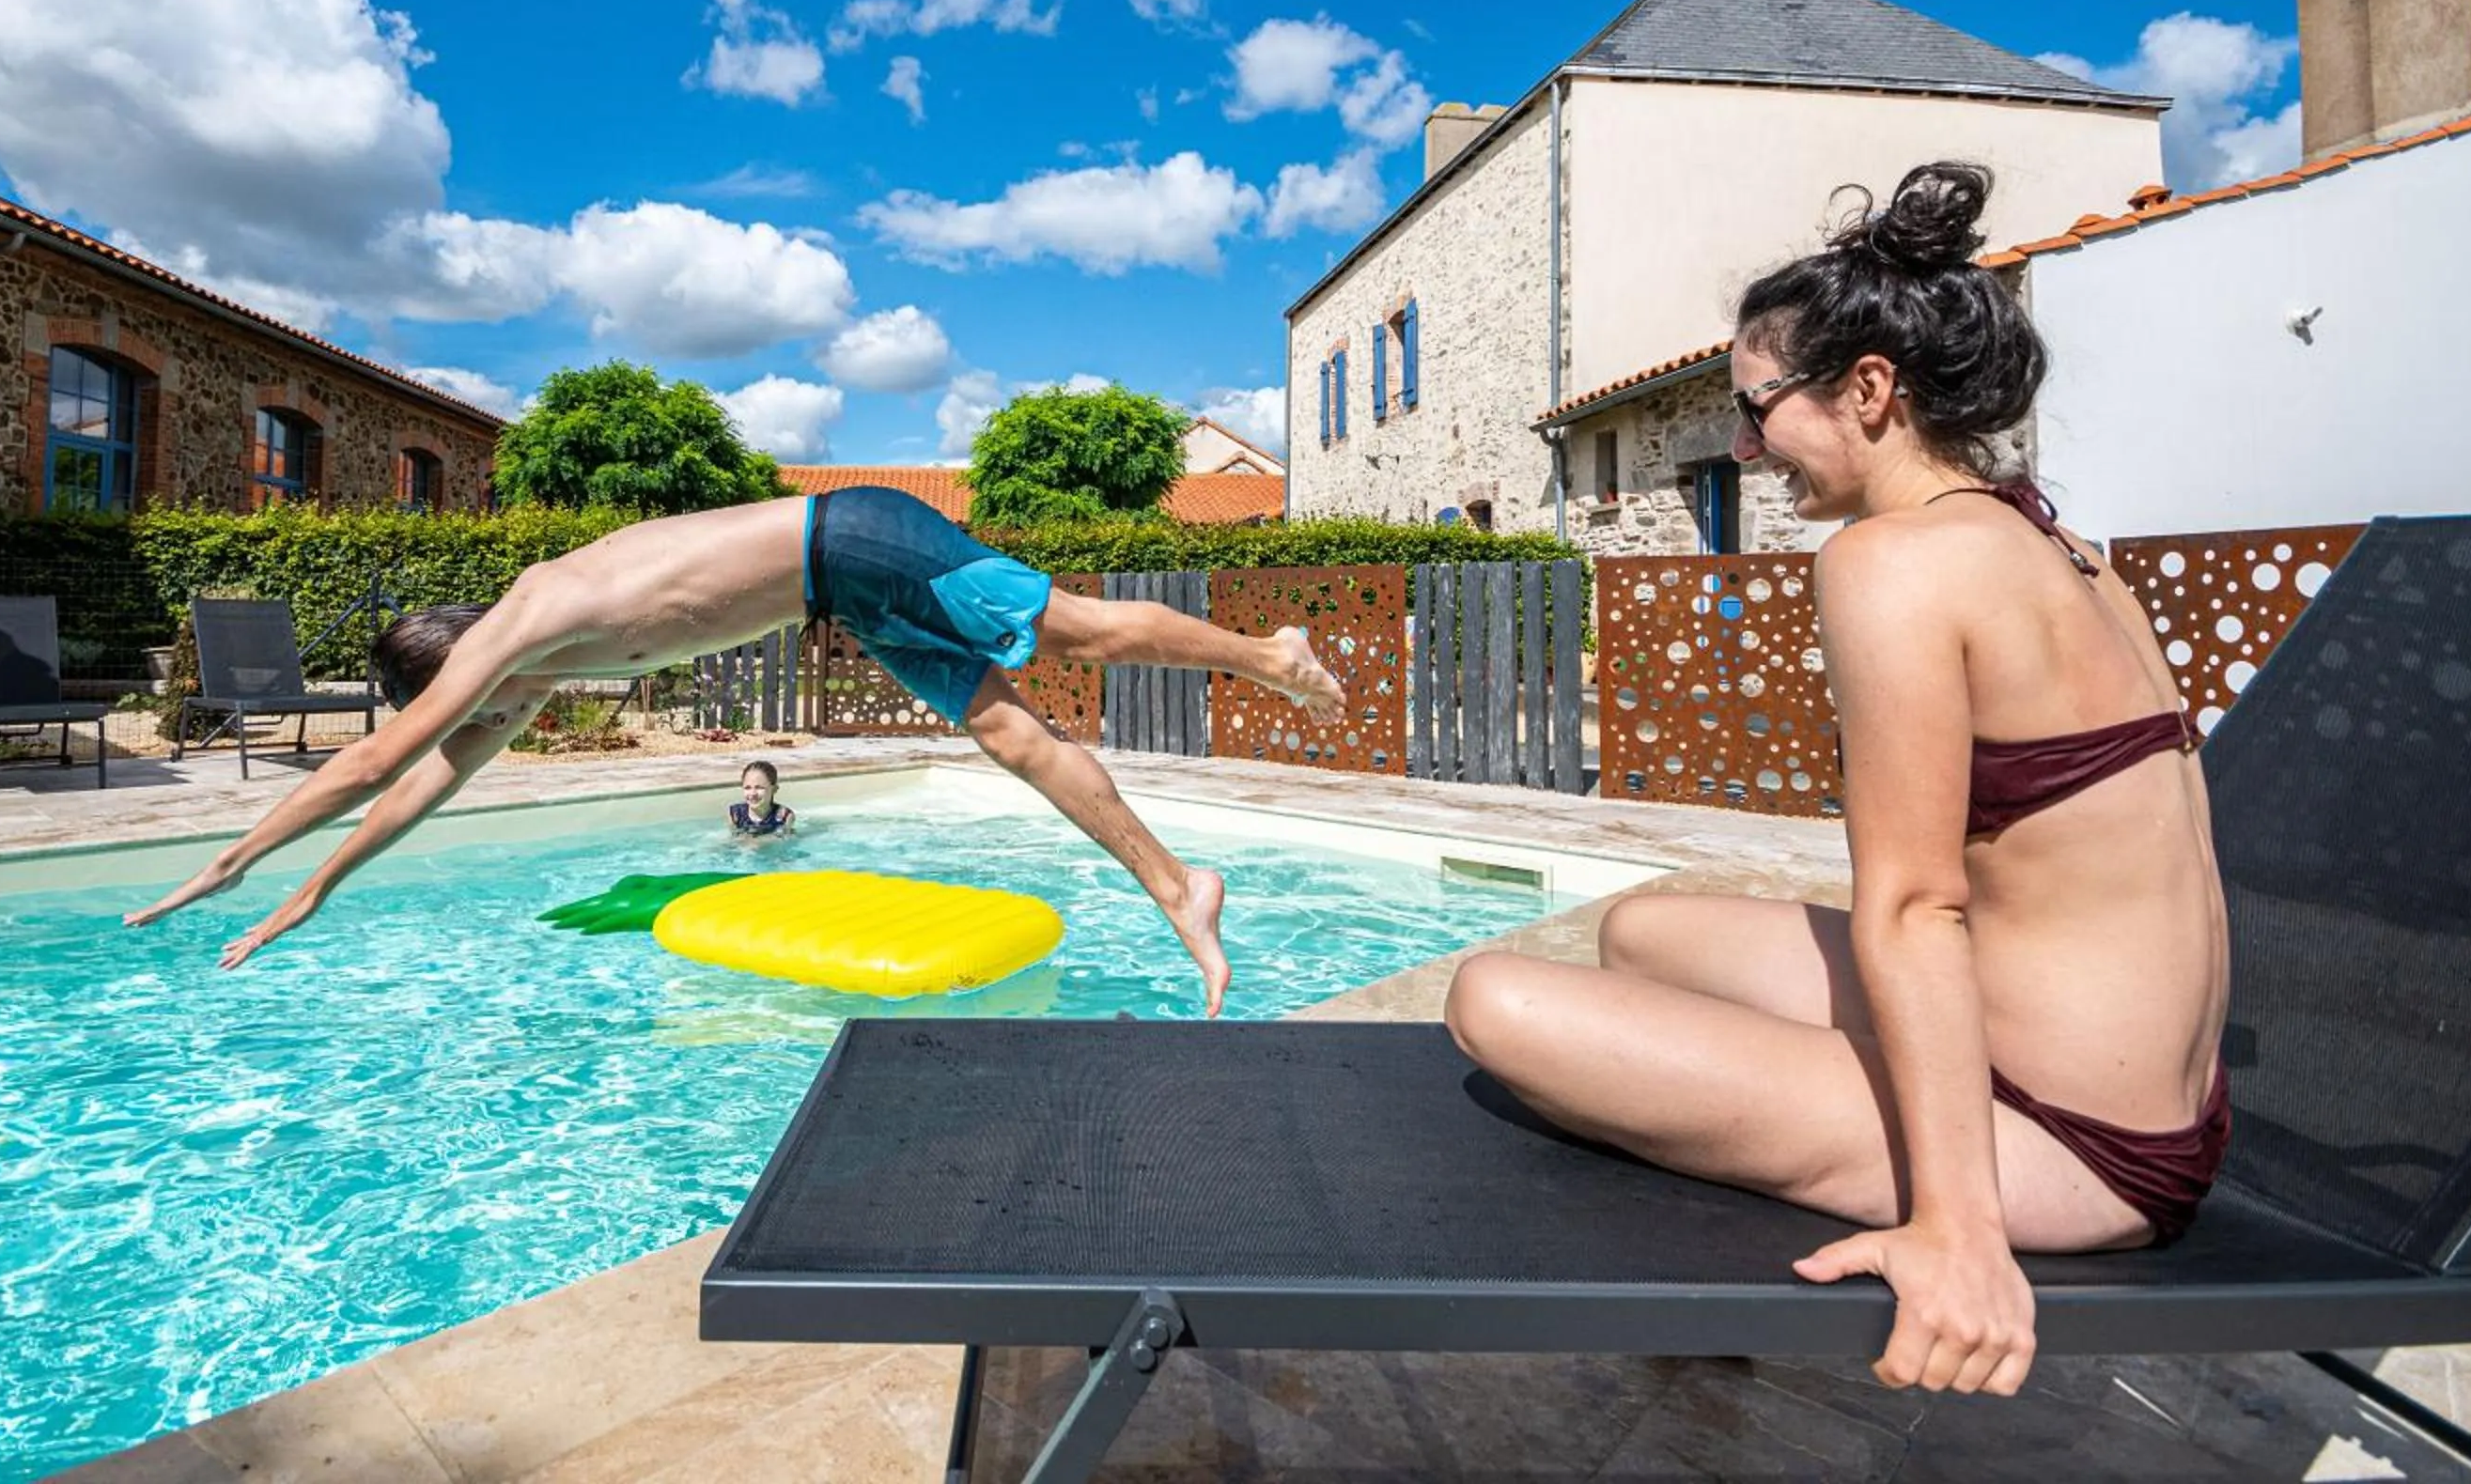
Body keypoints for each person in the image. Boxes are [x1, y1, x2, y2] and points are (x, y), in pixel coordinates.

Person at [1444, 162, 2228, 1399]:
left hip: (2074, 1145)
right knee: (1641, 931)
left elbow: (1915, 904)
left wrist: (1959, 1233)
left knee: (1495, 1001)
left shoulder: (1891, 561)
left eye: (1757, 410)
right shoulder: (2066, 549)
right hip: (2143, 1093)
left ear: (1868, 390)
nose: (1745, 448)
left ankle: (1903, 1190)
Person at [126, 487, 1346, 1014]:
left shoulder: (527, 622)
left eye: (458, 706)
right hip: (843, 589)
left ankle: (1271, 653)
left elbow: (371, 766)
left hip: (857, 539)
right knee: (1007, 735)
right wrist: (317, 886)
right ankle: (1180, 888)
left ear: (453, 670)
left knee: (1078, 629)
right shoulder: (527, 665)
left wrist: (228, 862)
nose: (475, 725)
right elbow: (421, 788)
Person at [730, 759, 795, 836]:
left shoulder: (785, 816)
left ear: (774, 789)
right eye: (747, 788)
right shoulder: (735, 814)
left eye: (759, 788)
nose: (753, 793)